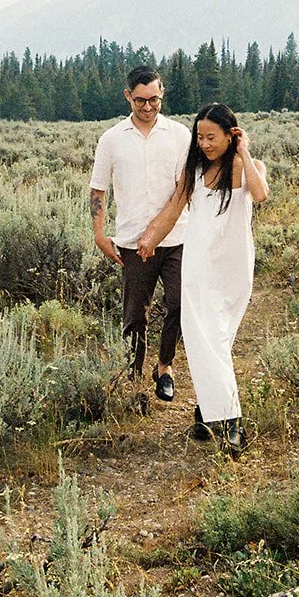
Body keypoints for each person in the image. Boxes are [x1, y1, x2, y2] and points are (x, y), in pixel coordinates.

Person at [136, 102, 268, 452]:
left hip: (233, 267)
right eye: (200, 137)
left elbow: (261, 194)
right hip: (198, 266)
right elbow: (173, 208)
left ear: (231, 135)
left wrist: (245, 151)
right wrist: (149, 238)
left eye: (212, 137)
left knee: (218, 340)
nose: (205, 144)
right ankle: (230, 422)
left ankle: (206, 411)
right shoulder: (193, 169)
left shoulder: (244, 167)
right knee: (204, 339)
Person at [89, 67, 193, 403]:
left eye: (154, 100)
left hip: (177, 238)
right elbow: (98, 191)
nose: (148, 107)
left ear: (162, 95)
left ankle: (164, 367)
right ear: (127, 97)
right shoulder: (111, 139)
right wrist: (99, 234)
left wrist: (157, 230)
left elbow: (183, 189)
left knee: (178, 304)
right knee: (135, 314)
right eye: (140, 100)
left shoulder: (179, 135)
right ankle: (133, 379)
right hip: (131, 241)